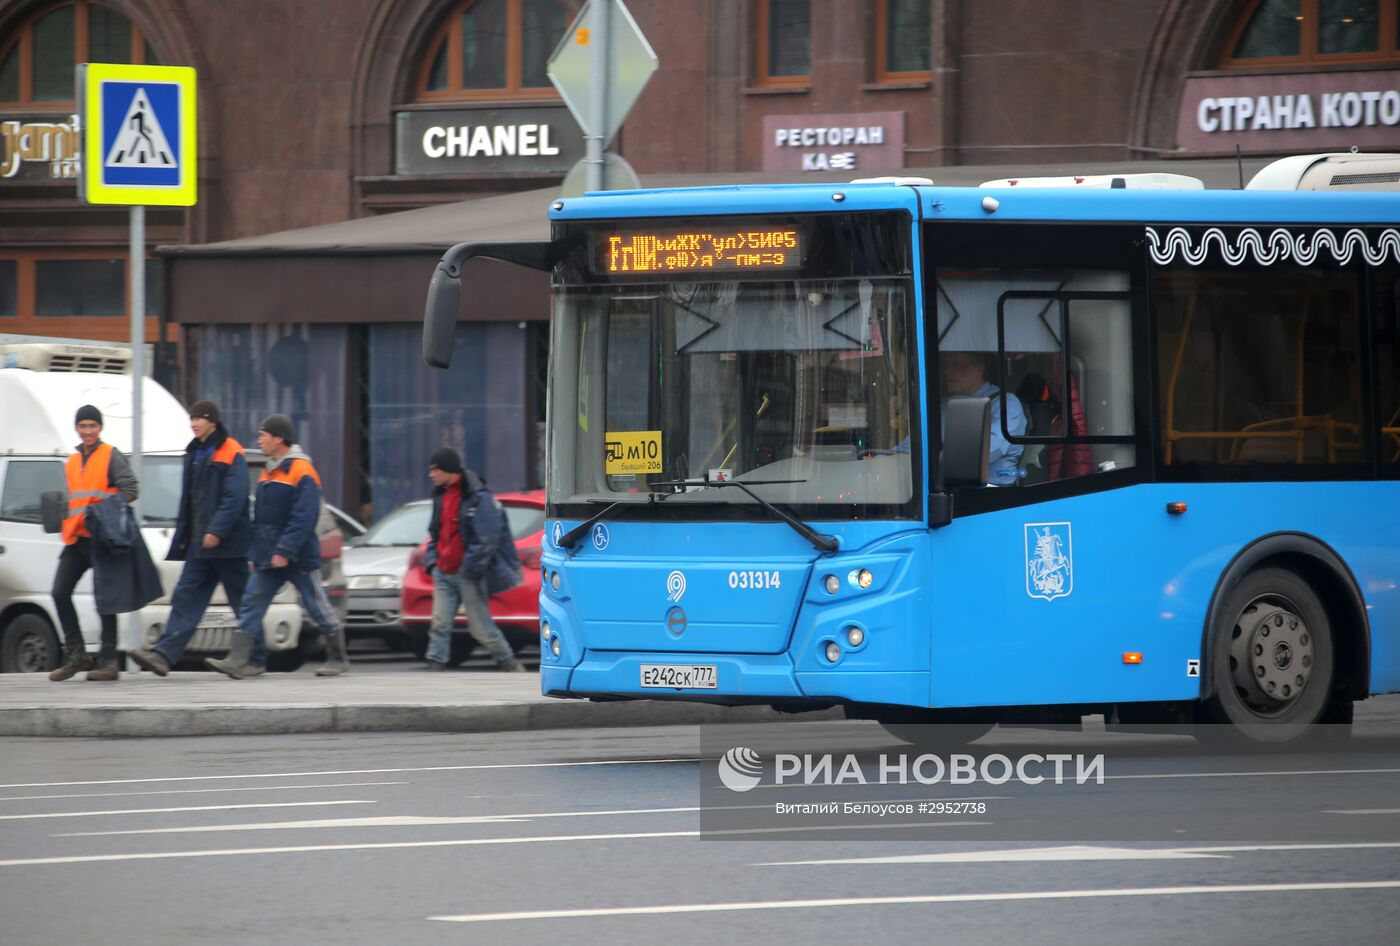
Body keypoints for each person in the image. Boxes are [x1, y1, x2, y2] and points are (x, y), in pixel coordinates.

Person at [205, 414, 348, 678]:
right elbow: (260, 518)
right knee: (251, 603)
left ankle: (338, 657)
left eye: (263, 435)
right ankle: (239, 660)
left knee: (316, 605)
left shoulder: (302, 471)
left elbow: (304, 518)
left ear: (279, 438)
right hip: (268, 557)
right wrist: (257, 552)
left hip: (297, 557)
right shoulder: (269, 471)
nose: (259, 440)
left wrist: (284, 550)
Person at [129, 400, 259, 676]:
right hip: (201, 545)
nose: (194, 422)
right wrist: (189, 536)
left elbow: (234, 498)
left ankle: (256, 658)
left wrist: (216, 531)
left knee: (242, 601)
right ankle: (164, 655)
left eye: (199, 418)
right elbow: (190, 501)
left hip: (229, 545)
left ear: (213, 421)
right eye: (192, 418)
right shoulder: (194, 452)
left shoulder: (230, 451)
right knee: (186, 596)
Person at [49, 405, 139, 682]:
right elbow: (76, 499)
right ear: (77, 428)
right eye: (83, 426)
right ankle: (77, 654)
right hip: (77, 538)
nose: (88, 431)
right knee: (59, 592)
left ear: (100, 428)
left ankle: (109, 661)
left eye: (92, 426)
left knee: (105, 600)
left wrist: (104, 511)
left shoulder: (111, 455)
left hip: (103, 538)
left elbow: (131, 489)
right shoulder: (72, 461)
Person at [423, 447, 525, 672]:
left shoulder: (478, 497)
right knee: (440, 622)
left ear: (450, 469)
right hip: (444, 571)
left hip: (466, 573)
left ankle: (508, 662)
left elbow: (487, 537)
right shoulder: (440, 495)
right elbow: (435, 533)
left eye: (436, 470)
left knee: (480, 625)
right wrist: (432, 563)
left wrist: (469, 568)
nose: (432, 475)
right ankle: (435, 664)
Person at [942, 350, 1027, 486]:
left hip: (993, 496)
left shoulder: (1006, 403)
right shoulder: (944, 405)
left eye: (956, 365)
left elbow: (985, 452)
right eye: (946, 365)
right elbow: (910, 446)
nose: (947, 371)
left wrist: (934, 458)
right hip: (945, 488)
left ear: (979, 369)